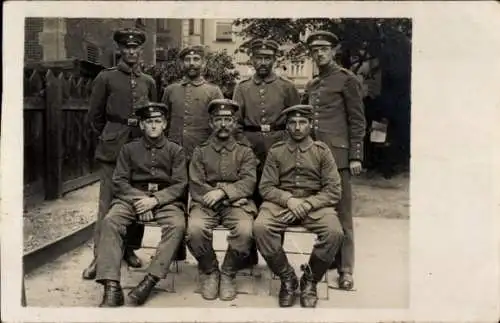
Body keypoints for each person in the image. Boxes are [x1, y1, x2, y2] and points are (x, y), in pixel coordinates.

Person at [95, 102, 187, 307]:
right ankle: (111, 285)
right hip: (132, 199)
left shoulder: (176, 150)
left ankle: (150, 280)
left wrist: (154, 201)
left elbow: (180, 184)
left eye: (157, 121)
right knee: (110, 221)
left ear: (164, 124)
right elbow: (119, 181)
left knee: (177, 225)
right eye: (149, 122)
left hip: (165, 200)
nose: (153, 126)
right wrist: (140, 201)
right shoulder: (129, 149)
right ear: (142, 125)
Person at [253, 104, 344, 308]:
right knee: (261, 228)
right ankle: (287, 278)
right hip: (281, 203)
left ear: (310, 125)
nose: (297, 127)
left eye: (302, 122)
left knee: (334, 232)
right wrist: (289, 200)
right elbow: (266, 187)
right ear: (286, 126)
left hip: (315, 204)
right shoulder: (276, 151)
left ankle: (310, 280)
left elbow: (334, 190)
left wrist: (308, 203)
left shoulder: (322, 152)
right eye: (292, 123)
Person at [84, 28, 158, 280]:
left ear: (141, 50)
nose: (131, 51)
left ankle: (128, 250)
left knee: (137, 200)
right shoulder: (106, 78)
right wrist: (109, 136)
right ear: (119, 50)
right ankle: (99, 258)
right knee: (106, 204)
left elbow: (153, 117)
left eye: (135, 47)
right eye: (127, 48)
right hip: (112, 149)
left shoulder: (149, 82)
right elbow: (94, 117)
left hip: (140, 147)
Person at [302, 30, 366, 290]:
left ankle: (346, 269)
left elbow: (357, 120)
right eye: (315, 50)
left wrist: (355, 156)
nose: (319, 54)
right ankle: (328, 258)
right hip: (314, 159)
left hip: (338, 158)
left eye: (324, 49)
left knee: (343, 215)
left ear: (333, 51)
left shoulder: (346, 80)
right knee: (322, 213)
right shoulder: (313, 84)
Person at [232, 38, 301, 267]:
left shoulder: (287, 87)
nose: (263, 62)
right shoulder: (242, 88)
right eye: (259, 57)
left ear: (274, 59)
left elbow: (295, 121)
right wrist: (245, 149)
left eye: (268, 58)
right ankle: (247, 256)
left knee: (275, 203)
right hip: (249, 148)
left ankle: (274, 258)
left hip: (279, 148)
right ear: (252, 59)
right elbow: (236, 124)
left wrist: (286, 150)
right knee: (250, 200)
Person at [187, 99, 258, 301]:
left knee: (245, 231)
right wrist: (228, 197)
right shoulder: (200, 151)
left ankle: (228, 272)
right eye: (219, 119)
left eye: (228, 119)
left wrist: (222, 194)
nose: (224, 124)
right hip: (208, 204)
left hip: (235, 205)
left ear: (235, 123)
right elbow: (196, 184)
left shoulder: (245, 151)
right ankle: (210, 271)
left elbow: (249, 182)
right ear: (211, 123)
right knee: (195, 230)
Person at [162, 45, 224, 161]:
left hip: (203, 152)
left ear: (204, 63)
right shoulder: (170, 90)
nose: (191, 63)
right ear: (181, 64)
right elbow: (164, 122)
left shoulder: (213, 91)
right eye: (187, 60)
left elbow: (220, 124)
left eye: (196, 59)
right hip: (174, 151)